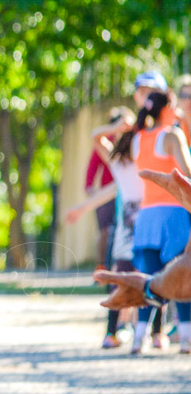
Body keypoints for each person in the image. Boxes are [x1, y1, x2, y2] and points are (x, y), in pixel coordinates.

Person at [65, 107, 141, 348]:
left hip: (146, 225)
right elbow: (108, 191)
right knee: (120, 275)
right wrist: (81, 208)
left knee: (144, 276)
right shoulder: (118, 162)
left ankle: (140, 329)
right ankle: (115, 329)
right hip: (124, 228)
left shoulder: (142, 157)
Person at [128, 90, 191, 354]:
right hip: (174, 214)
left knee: (149, 279)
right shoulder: (172, 135)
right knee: (182, 276)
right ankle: (187, 339)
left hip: (147, 217)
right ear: (167, 108)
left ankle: (139, 338)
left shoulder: (138, 139)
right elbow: (187, 175)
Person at [83, 135, 115, 271]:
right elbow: (93, 165)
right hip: (105, 195)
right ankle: (101, 266)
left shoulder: (131, 140)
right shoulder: (106, 142)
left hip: (125, 194)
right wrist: (89, 187)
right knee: (104, 231)